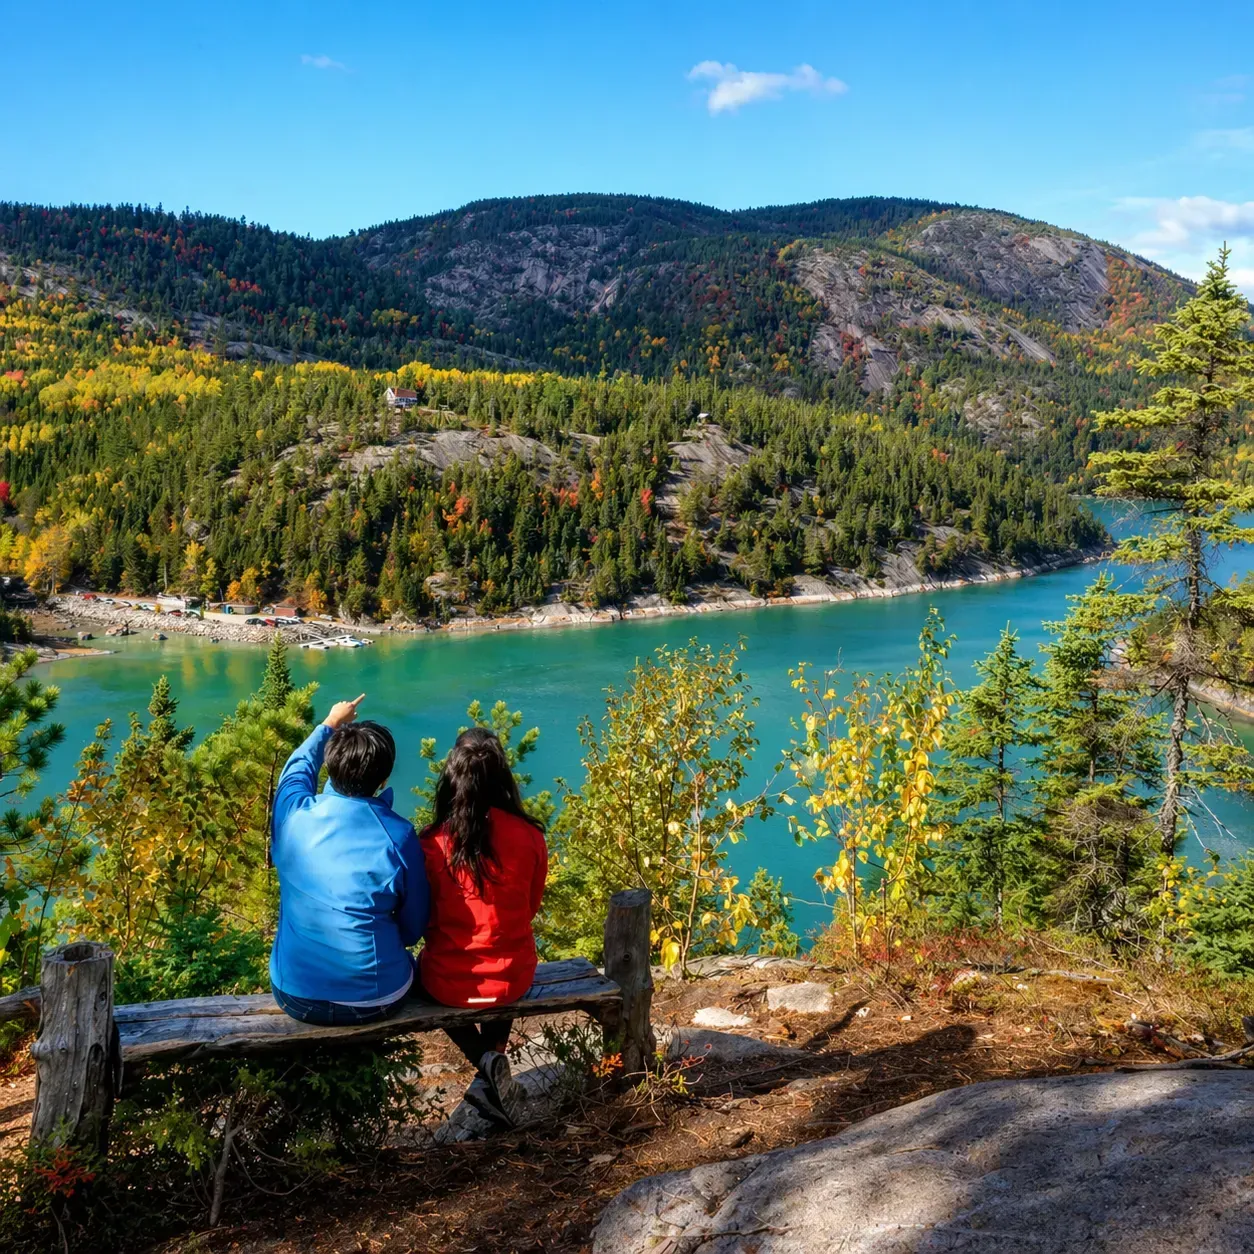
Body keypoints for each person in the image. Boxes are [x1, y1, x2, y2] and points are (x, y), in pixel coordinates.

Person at [270, 695, 428, 1026]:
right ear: (383, 780)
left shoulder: (293, 815)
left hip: (294, 995)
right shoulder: (398, 837)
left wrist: (330, 723)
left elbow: (297, 768)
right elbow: (413, 928)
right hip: (376, 999)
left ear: (331, 765)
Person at [419, 727, 548, 1127]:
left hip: (447, 982)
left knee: (420, 976)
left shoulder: (430, 844)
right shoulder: (529, 837)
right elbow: (528, 910)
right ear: (502, 776)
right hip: (513, 977)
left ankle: (485, 1063)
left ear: (452, 778)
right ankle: (491, 1063)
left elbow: (424, 921)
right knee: (505, 959)